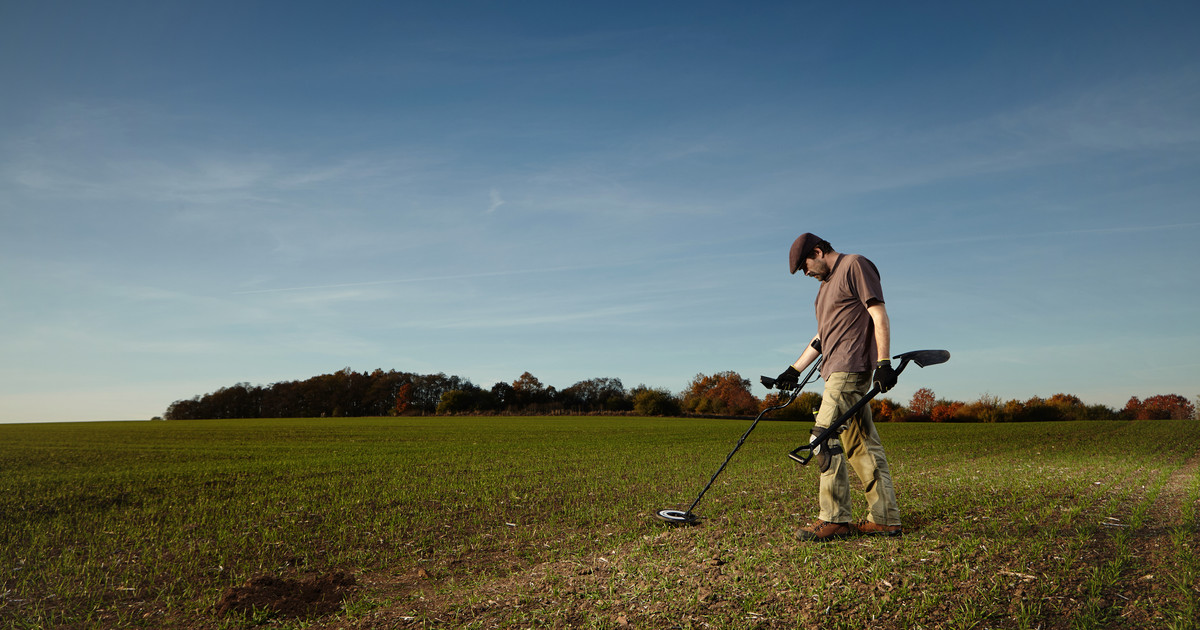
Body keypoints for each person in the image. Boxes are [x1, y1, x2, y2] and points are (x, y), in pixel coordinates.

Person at [773, 233, 903, 541]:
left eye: (806, 266)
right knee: (861, 446)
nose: (806, 273)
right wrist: (793, 369)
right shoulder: (822, 292)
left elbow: (878, 313)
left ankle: (835, 518)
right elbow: (822, 338)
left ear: (818, 251)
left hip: (849, 368)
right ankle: (884, 518)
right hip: (834, 372)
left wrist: (884, 362)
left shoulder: (854, 265)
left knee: (823, 438)